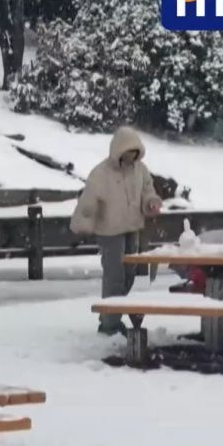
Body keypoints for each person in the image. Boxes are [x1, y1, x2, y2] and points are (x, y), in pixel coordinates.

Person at [70, 125, 162, 335]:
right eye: (127, 153)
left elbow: (148, 191)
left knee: (129, 273)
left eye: (134, 154)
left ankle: (110, 314)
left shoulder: (141, 170)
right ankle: (110, 324)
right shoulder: (101, 173)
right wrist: (83, 222)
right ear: (118, 151)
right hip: (109, 231)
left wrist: (151, 203)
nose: (131, 158)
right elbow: (88, 202)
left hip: (132, 228)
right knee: (114, 276)